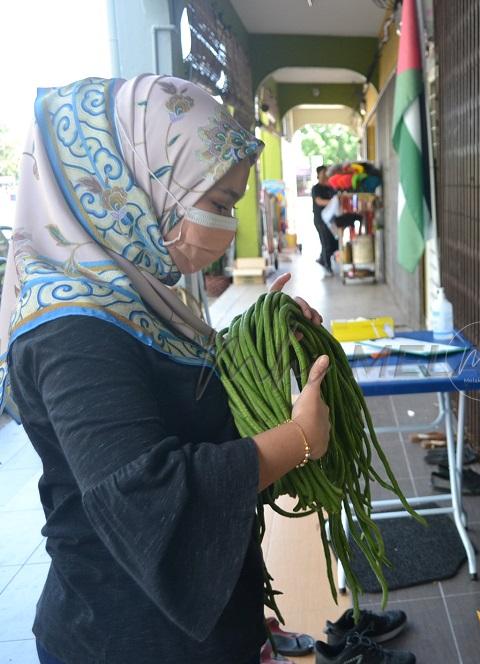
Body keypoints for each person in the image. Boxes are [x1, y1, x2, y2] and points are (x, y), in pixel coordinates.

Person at [0, 75, 331, 664]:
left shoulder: (137, 298)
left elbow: (172, 397)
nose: (226, 229)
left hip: (195, 627)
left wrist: (263, 345)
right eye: (220, 204)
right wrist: (299, 441)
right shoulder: (70, 328)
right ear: (129, 182)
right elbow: (143, 492)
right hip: (124, 637)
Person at [311, 165, 339, 275]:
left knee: (334, 242)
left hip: (331, 220)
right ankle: (327, 265)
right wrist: (332, 202)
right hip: (320, 221)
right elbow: (319, 201)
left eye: (326, 173)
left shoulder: (331, 188)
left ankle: (323, 259)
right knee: (326, 242)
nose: (325, 175)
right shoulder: (316, 188)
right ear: (318, 175)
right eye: (323, 173)